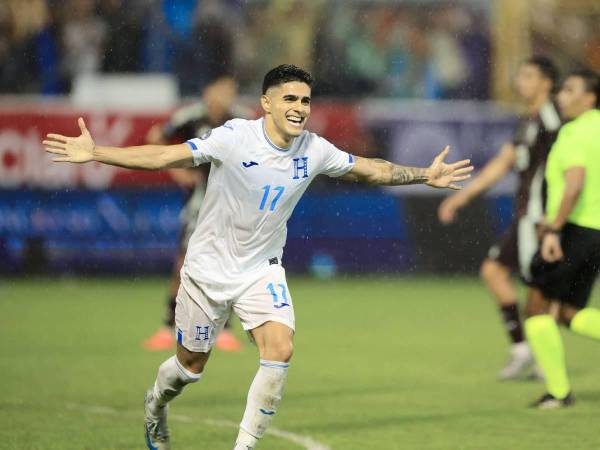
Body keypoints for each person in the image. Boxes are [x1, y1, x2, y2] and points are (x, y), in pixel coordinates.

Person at [44, 64, 473, 450]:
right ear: (266, 104)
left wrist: (423, 175)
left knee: (280, 348)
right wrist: (97, 153)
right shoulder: (233, 137)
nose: (300, 108)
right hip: (207, 270)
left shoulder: (314, 149)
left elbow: (370, 168)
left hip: (260, 271)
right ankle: (155, 404)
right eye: (290, 98)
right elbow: (163, 156)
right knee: (189, 368)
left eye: (305, 100)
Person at [438, 56, 561, 380]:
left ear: (546, 83)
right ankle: (525, 350)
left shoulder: (553, 120)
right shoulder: (529, 120)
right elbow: (501, 164)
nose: (521, 82)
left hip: (541, 218)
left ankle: (547, 365)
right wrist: (461, 196)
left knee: (544, 295)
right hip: (526, 216)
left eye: (528, 76)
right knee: (496, 272)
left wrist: (557, 217)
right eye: (520, 76)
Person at [143, 75, 249, 353]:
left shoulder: (242, 120)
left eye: (231, 91)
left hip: (231, 200)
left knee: (228, 261)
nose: (226, 96)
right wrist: (178, 172)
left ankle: (224, 328)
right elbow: (156, 137)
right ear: (208, 91)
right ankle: (168, 325)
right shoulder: (190, 117)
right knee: (184, 260)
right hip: (200, 199)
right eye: (221, 90)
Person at [525, 69, 600, 409]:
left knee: (537, 307)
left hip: (574, 229)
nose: (560, 96)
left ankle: (558, 393)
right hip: (596, 233)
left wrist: (553, 229)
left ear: (590, 98)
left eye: (570, 90)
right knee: (571, 311)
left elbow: (575, 182)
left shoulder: (574, 133)